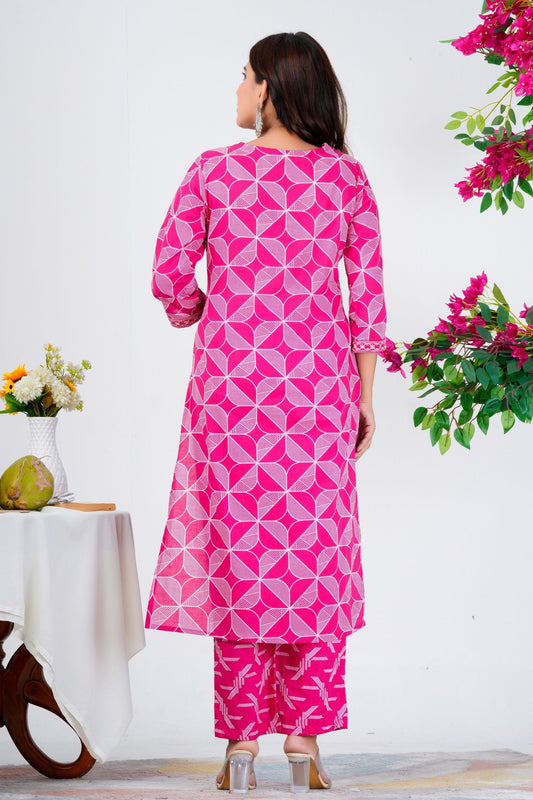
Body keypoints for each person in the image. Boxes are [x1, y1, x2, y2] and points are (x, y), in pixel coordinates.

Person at [146, 31, 387, 793]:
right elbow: (367, 299)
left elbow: (169, 274)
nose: (237, 88)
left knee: (241, 561)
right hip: (317, 391)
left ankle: (241, 745)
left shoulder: (213, 171)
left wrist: (208, 313)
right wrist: (363, 397)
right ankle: (305, 742)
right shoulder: (344, 178)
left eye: (244, 76)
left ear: (269, 89)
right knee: (313, 562)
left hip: (232, 391)